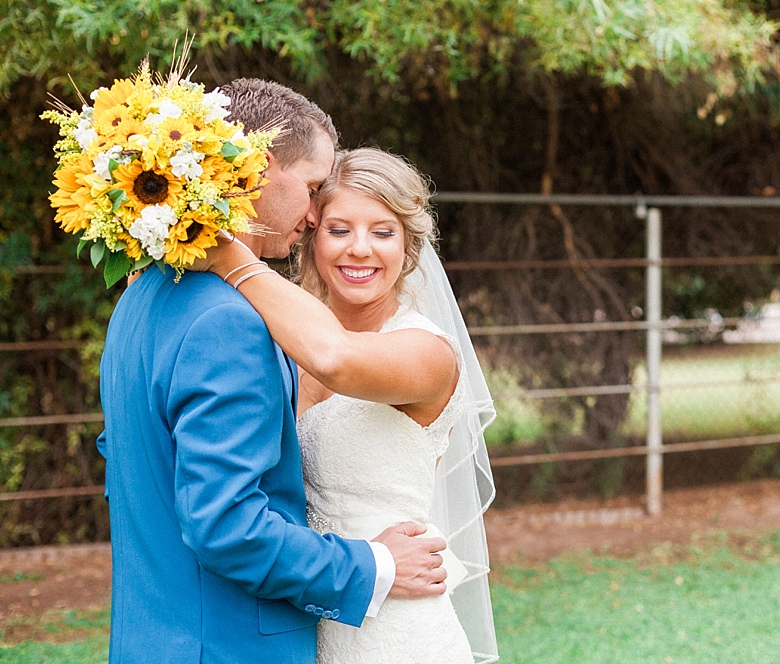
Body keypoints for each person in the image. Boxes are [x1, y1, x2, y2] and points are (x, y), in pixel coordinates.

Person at [97, 80, 448, 664]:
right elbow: (226, 524)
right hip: (227, 643)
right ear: (256, 167)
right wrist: (376, 562)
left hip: (159, 637)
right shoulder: (226, 323)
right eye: (315, 193)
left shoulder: (138, 298)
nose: (314, 218)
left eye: (383, 231)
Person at [199, 147, 499, 663]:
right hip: (298, 614)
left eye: (383, 232)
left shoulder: (428, 353)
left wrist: (228, 255)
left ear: (408, 248)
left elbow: (336, 359)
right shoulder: (274, 338)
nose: (359, 249)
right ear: (311, 238)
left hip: (396, 623)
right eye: (339, 230)